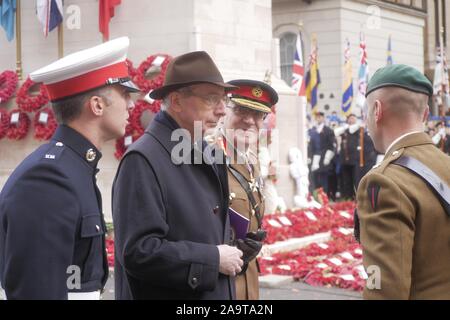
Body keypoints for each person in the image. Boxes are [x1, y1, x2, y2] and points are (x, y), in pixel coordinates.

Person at [0, 37, 138, 300]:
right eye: (124, 94)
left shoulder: (74, 168)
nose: (131, 105)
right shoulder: (48, 179)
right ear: (97, 105)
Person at [112, 51, 244, 300]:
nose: (222, 111)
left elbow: (204, 232)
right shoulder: (143, 159)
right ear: (176, 101)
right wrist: (213, 258)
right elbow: (139, 252)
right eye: (211, 99)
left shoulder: (204, 150)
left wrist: (237, 250)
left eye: (224, 99)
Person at [355, 64, 450, 299]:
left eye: (366, 112)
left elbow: (386, 292)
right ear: (426, 113)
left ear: (377, 110)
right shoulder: (445, 164)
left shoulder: (384, 182)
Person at [207, 79, 278, 300]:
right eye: (240, 110)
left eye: (258, 114)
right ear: (225, 111)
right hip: (219, 282)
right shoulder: (207, 157)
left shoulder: (252, 159)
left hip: (248, 279)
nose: (249, 120)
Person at [307, 112, 336, 196]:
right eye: (317, 117)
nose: (318, 118)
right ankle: (316, 196)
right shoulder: (312, 130)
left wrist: (328, 158)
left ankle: (324, 197)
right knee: (315, 179)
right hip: (314, 158)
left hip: (324, 158)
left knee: (323, 179)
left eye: (320, 117)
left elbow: (332, 145)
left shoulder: (328, 130)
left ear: (323, 118)